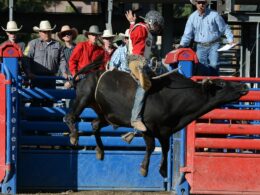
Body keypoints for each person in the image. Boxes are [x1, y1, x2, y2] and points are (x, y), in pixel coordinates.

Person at [125, 10, 164, 131]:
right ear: (151, 21)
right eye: (157, 24)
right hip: (136, 61)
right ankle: (135, 118)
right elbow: (134, 37)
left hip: (142, 61)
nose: (157, 28)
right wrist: (132, 23)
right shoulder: (141, 28)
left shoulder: (146, 31)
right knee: (144, 85)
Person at [179, 0, 235, 76]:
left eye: (203, 2)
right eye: (199, 2)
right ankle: (205, 84)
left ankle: (214, 83)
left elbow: (224, 28)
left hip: (214, 44)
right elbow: (187, 34)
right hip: (200, 46)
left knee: (214, 64)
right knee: (201, 67)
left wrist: (230, 40)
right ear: (196, 4)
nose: (201, 4)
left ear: (206, 4)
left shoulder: (214, 15)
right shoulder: (192, 18)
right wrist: (182, 45)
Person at [23, 20, 66, 107]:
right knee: (36, 100)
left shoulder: (58, 45)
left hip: (51, 78)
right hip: (36, 77)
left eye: (48, 31)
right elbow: (25, 59)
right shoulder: (32, 44)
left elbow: (62, 60)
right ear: (39, 32)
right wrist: (28, 72)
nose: (46, 33)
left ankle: (47, 119)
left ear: (51, 32)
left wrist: (64, 72)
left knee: (49, 101)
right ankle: (34, 119)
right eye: (44, 31)